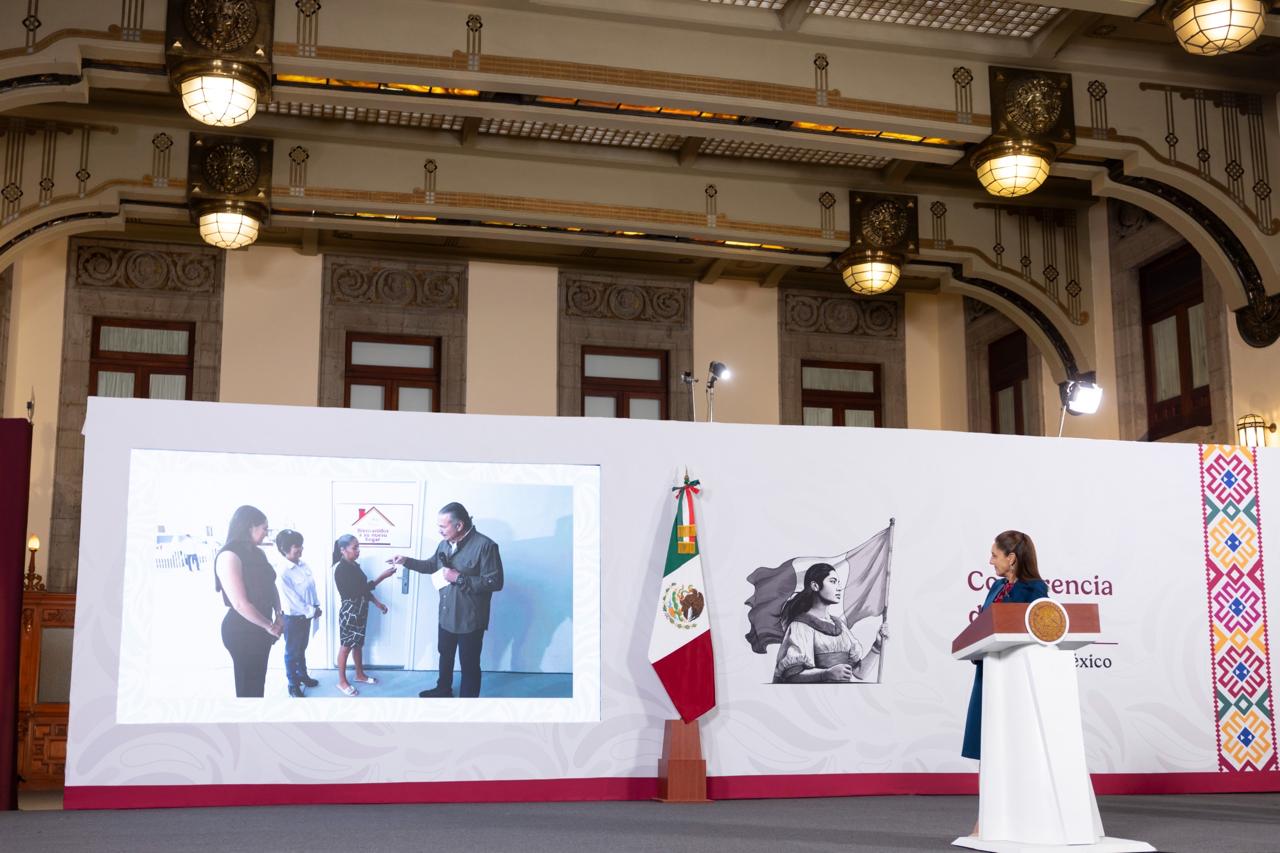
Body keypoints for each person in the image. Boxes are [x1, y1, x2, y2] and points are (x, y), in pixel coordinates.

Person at [962, 529, 1049, 836]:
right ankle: (986, 816)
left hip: (1015, 680)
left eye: (994, 555)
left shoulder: (1035, 590)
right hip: (988, 674)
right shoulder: (996, 587)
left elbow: (1038, 635)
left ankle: (1017, 818)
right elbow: (984, 626)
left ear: (1012, 558)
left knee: (1013, 748)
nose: (990, 561)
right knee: (988, 747)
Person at [390, 502, 504, 698]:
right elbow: (431, 566)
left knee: (469, 664)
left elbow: (495, 582)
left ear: (459, 525)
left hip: (470, 619)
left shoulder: (485, 546)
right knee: (445, 654)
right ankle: (443, 689)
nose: (439, 530)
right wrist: (406, 561)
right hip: (446, 614)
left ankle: (467, 704)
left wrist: (459, 578)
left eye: (443, 526)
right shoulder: (444, 543)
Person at [772, 562, 887, 683]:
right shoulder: (800, 626)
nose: (839, 587)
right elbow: (792, 676)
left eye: (838, 582)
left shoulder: (840, 626)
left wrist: (877, 646)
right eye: (833, 581)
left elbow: (859, 673)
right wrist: (826, 674)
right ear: (815, 586)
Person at [214, 505, 283, 698]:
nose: (266, 533)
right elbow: (240, 604)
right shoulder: (229, 555)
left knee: (258, 682)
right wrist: (269, 626)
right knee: (247, 687)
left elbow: (271, 584)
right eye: (264, 528)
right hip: (242, 630)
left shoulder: (258, 553)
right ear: (250, 526)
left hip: (263, 626)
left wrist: (279, 614)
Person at [332, 534, 396, 697]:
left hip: (361, 610)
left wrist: (377, 603)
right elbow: (357, 591)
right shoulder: (341, 569)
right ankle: (342, 681)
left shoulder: (354, 565)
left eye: (358, 547)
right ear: (343, 549)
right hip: (350, 612)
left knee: (358, 644)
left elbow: (363, 590)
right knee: (346, 647)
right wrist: (381, 577)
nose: (358, 551)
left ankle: (359, 674)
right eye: (355, 548)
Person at [276, 529, 321, 697]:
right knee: (291, 652)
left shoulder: (303, 565)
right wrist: (312, 610)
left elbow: (311, 589)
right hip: (293, 618)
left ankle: (303, 675)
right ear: (284, 548)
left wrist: (316, 605)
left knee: (301, 648)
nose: (300, 549)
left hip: (306, 616)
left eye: (301, 545)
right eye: (296, 546)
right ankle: (293, 684)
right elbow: (293, 600)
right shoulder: (283, 571)